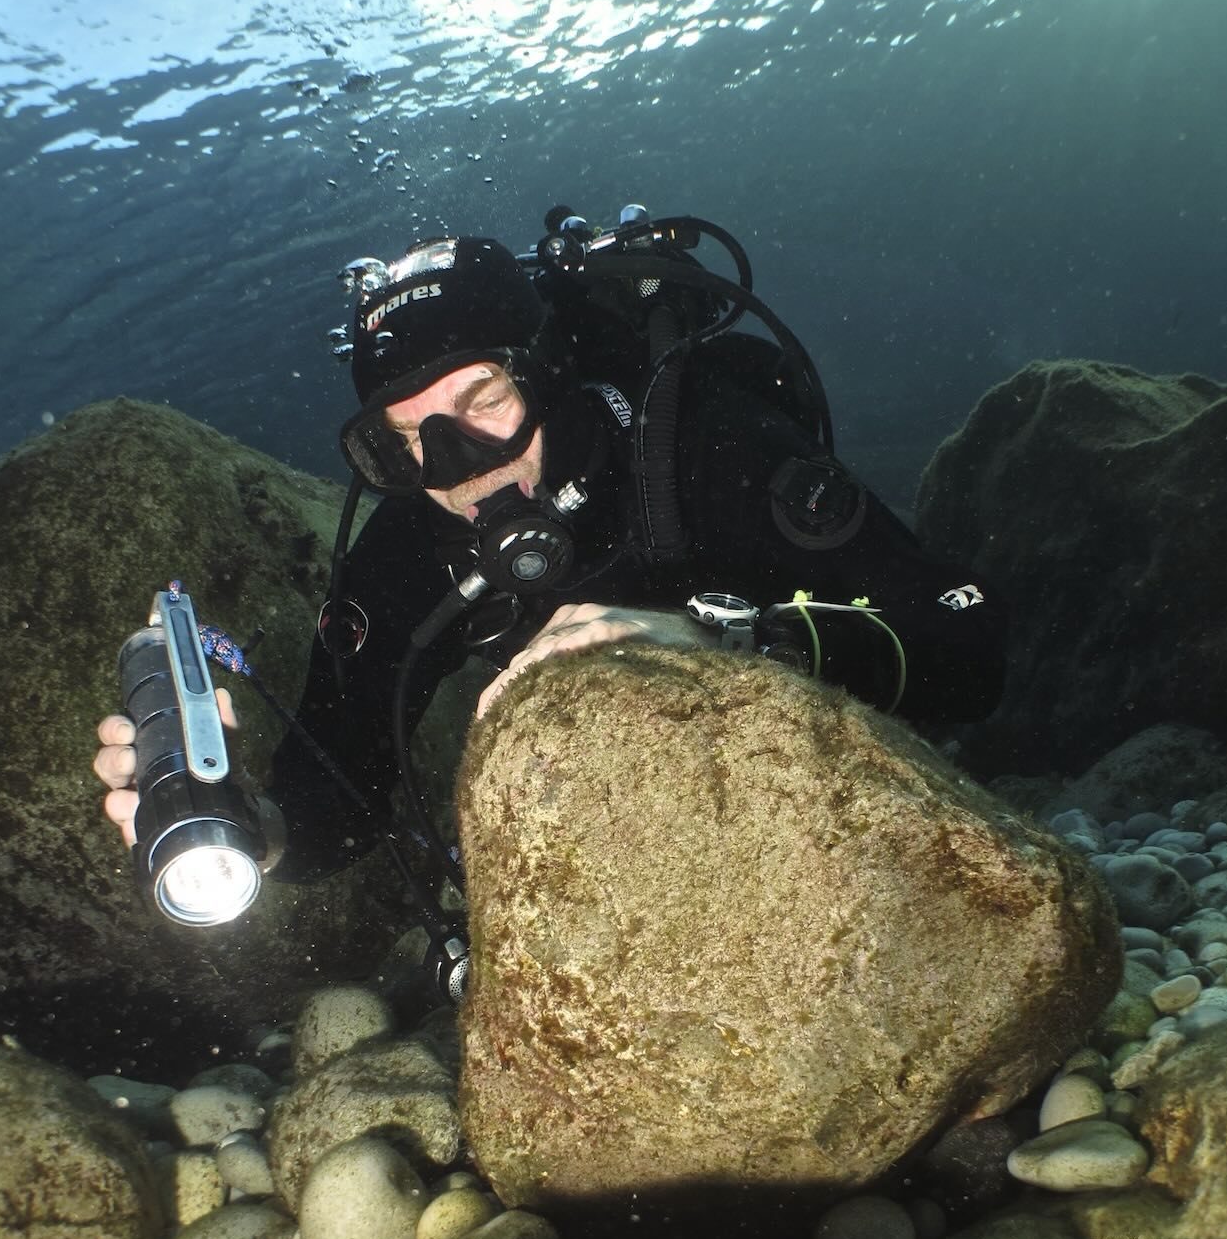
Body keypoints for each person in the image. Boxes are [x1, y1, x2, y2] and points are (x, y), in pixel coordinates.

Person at [95, 210, 1004, 886]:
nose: (455, 468)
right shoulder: (412, 549)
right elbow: (343, 791)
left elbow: (968, 652)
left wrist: (728, 642)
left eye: (483, 399)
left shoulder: (699, 447)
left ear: (548, 373)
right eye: (403, 439)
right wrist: (242, 825)